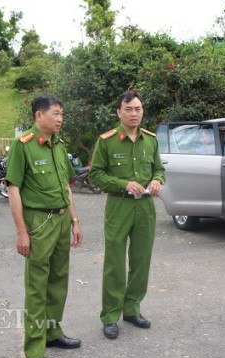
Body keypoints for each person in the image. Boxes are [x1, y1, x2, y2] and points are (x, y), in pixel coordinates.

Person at [5, 94, 83, 358]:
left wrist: (74, 220)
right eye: (55, 113)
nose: (60, 119)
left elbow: (67, 188)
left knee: (58, 281)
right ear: (39, 116)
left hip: (61, 220)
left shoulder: (59, 146)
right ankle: (34, 350)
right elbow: (13, 190)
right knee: (38, 287)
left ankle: (52, 332)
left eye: (62, 114)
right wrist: (21, 232)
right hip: (39, 222)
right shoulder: (23, 145)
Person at [89, 90, 165, 340]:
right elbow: (96, 175)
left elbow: (159, 169)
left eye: (138, 109)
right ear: (119, 112)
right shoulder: (107, 141)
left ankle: (132, 309)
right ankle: (110, 316)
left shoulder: (150, 140)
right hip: (119, 206)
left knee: (141, 260)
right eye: (129, 109)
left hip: (145, 207)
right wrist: (123, 184)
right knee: (114, 263)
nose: (134, 114)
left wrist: (156, 180)